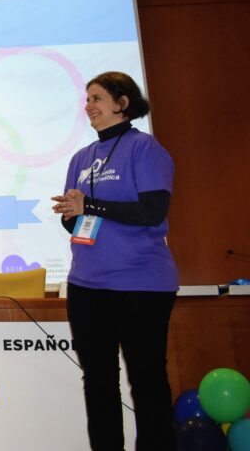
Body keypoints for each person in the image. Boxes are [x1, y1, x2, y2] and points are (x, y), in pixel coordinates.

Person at [51, 72, 178, 451]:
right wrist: (71, 212)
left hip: (141, 284)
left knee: (146, 380)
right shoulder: (81, 157)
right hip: (87, 285)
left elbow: (153, 211)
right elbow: (75, 219)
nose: (88, 105)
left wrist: (89, 205)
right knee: (98, 381)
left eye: (97, 98)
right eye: (87, 99)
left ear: (122, 103)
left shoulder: (145, 148)